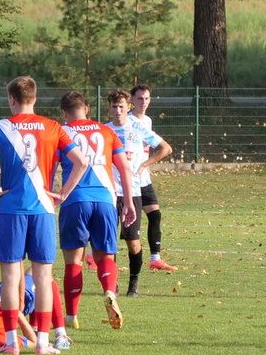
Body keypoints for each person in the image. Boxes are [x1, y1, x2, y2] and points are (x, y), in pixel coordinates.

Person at [0, 76, 89, 355]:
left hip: (11, 210)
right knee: (44, 276)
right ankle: (43, 343)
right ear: (34, 98)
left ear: (11, 99)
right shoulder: (53, 127)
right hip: (43, 209)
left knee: (10, 275)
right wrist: (63, 193)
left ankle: (11, 343)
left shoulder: (1, 127)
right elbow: (81, 162)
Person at [58, 90, 136, 331]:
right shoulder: (106, 130)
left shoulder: (61, 132)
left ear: (64, 112)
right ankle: (110, 291)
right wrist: (129, 201)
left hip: (74, 199)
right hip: (105, 200)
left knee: (74, 261)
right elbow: (124, 168)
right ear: (86, 109)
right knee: (105, 257)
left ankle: (71, 316)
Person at [106, 89, 173, 297]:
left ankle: (133, 284)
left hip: (132, 192)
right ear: (109, 108)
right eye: (114, 106)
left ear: (128, 107)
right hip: (109, 192)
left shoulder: (138, 128)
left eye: (121, 106)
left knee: (132, 242)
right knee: (108, 243)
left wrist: (144, 164)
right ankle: (112, 285)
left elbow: (165, 148)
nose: (118, 110)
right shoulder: (104, 131)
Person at [126, 83, 178, 274]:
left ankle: (155, 259)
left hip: (143, 179)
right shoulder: (127, 121)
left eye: (147, 98)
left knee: (155, 215)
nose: (144, 102)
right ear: (132, 99)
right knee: (117, 218)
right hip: (128, 180)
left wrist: (145, 165)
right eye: (140, 98)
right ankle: (94, 254)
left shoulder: (147, 121)